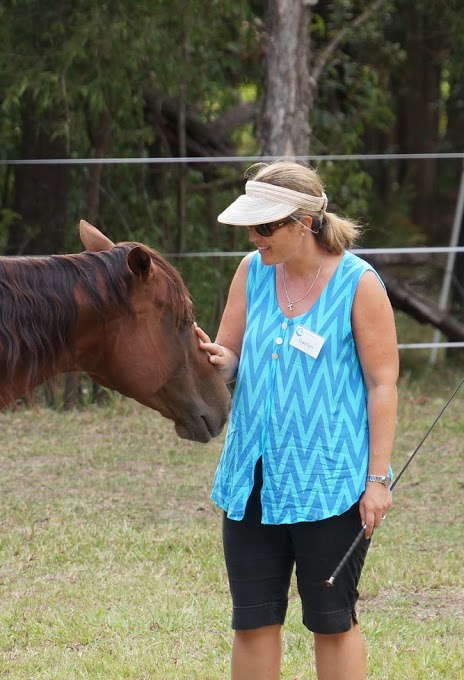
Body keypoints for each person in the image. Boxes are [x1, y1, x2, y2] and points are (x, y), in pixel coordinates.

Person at [196, 160, 398, 680]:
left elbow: (382, 385)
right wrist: (214, 359)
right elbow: (231, 355)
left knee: (332, 621)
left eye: (264, 226)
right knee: (253, 619)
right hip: (253, 477)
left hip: (330, 482)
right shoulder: (250, 270)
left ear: (303, 222)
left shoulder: (359, 284)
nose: (253, 235)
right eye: (250, 225)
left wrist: (377, 480)